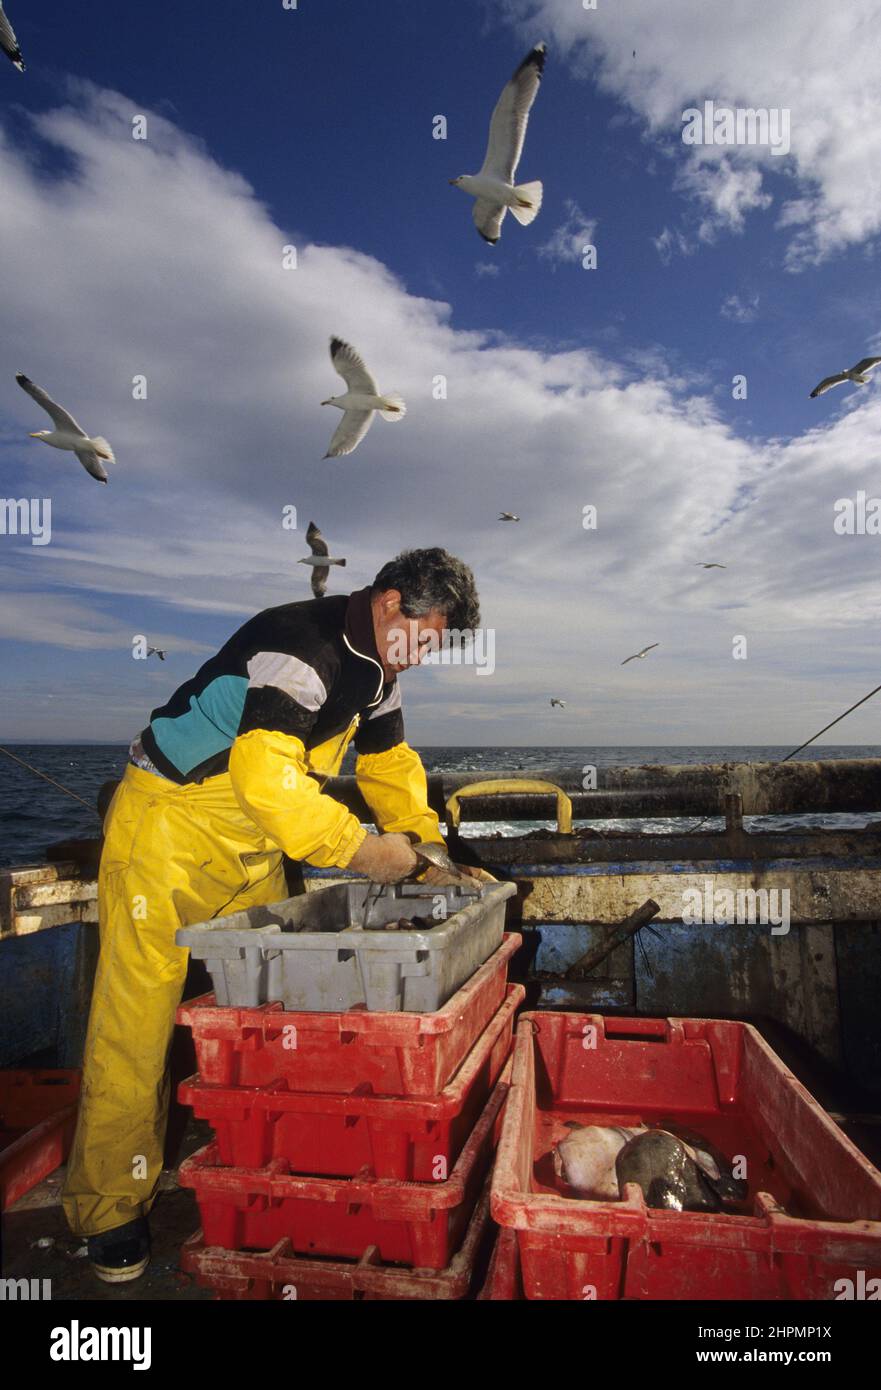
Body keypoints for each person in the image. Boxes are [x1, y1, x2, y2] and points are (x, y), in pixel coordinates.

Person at [61, 547, 480, 1282]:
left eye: (435, 646)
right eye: (425, 638)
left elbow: (386, 768)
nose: (423, 657)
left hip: (255, 845)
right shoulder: (303, 646)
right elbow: (262, 775)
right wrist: (357, 849)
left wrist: (429, 846)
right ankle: (107, 1210)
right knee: (135, 1022)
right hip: (167, 830)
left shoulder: (380, 673)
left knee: (277, 1008)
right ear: (390, 605)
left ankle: (268, 1160)